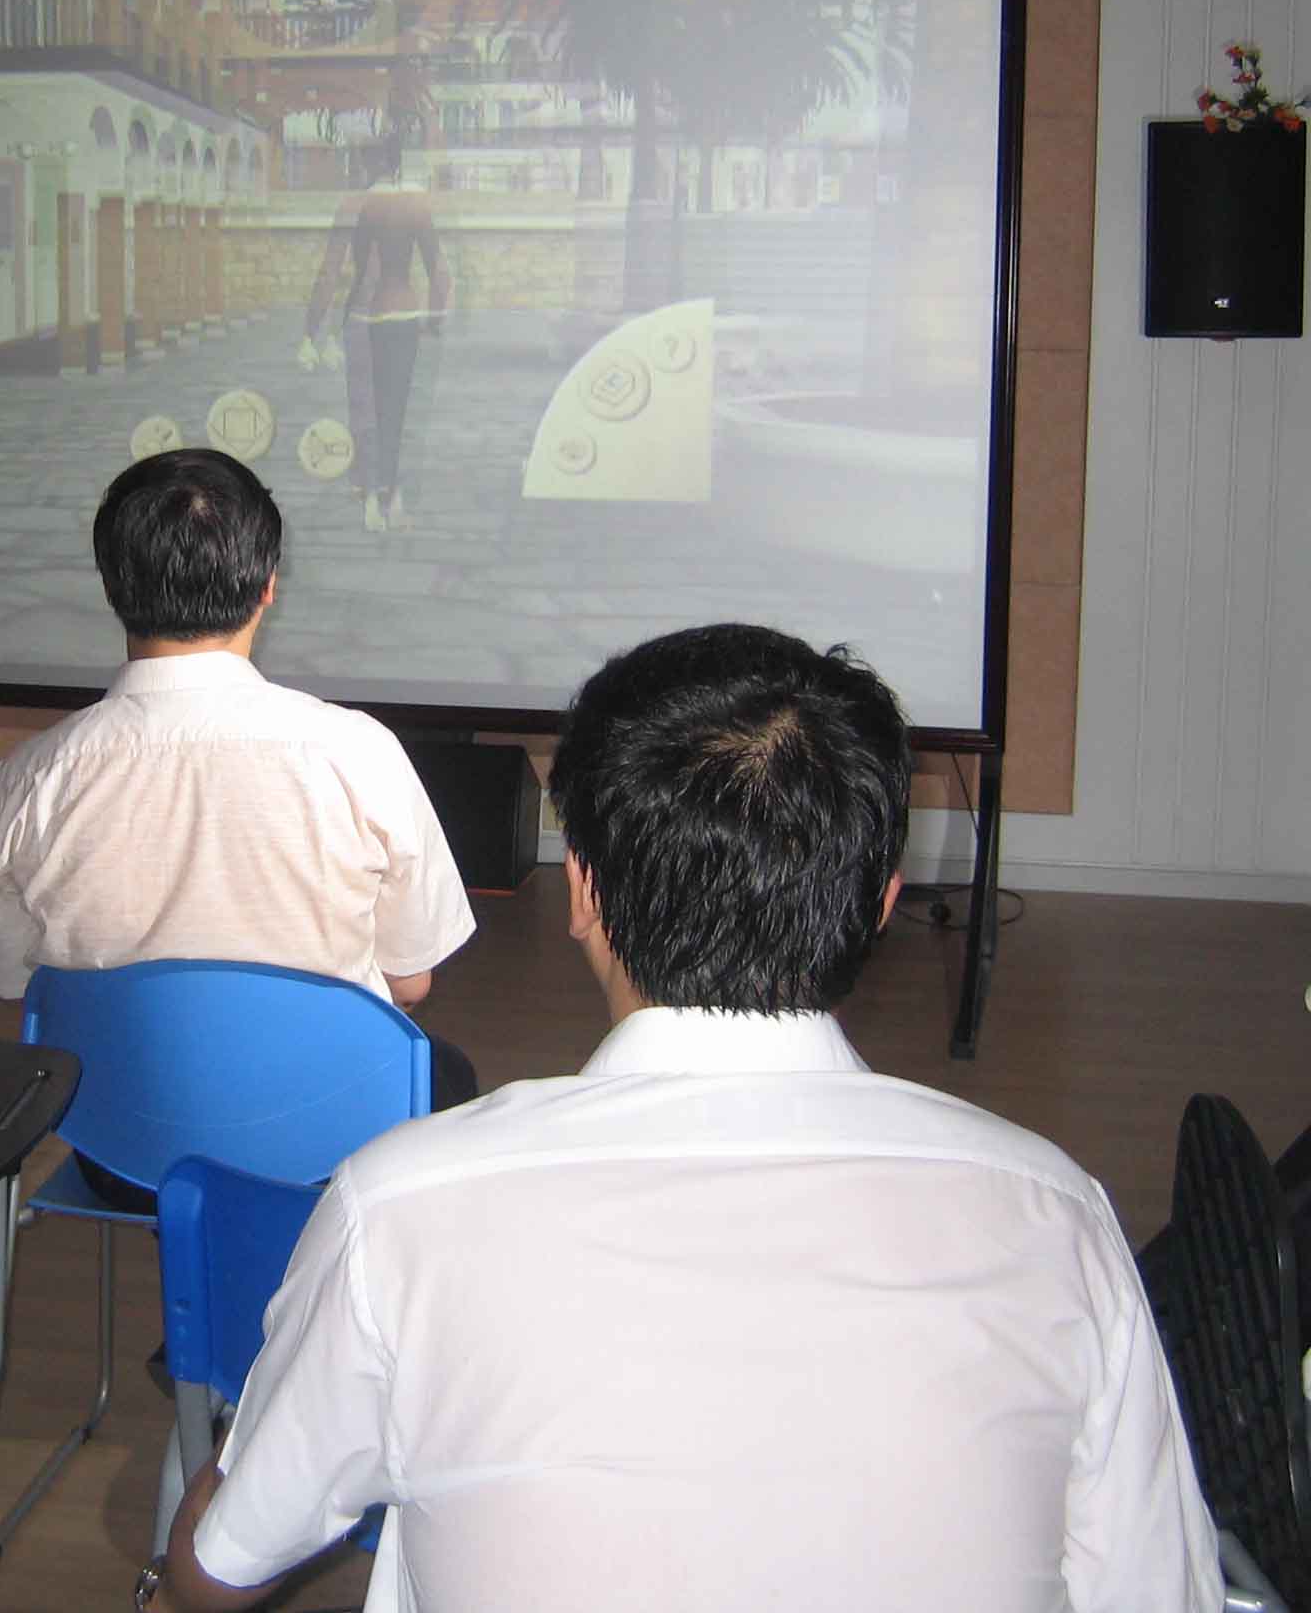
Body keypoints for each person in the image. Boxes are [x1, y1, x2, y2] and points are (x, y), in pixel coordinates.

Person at [164, 623, 1220, 1612]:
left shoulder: (400, 1209)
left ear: (583, 892)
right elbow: (1157, 1587)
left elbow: (222, 1564)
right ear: (881, 902)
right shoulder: (1058, 1217)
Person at [0, 448, 477, 1101]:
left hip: (118, 1129)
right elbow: (410, 982)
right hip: (325, 1119)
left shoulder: (30, 779)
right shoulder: (360, 755)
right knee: (443, 1070)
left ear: (110, 587)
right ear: (268, 586)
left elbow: (12, 981)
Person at [299, 139, 450, 533]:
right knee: (394, 409)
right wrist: (434, 318)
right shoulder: (416, 206)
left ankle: (369, 497)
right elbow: (440, 271)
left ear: (365, 167)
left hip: (364, 316)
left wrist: (312, 329)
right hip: (404, 314)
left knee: (364, 408)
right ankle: (392, 496)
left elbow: (330, 270)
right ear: (396, 167)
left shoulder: (354, 205)